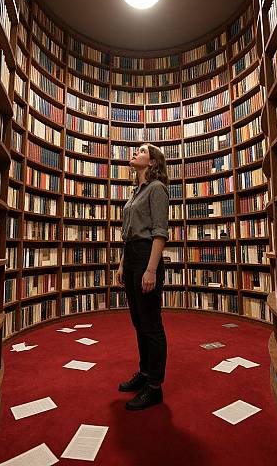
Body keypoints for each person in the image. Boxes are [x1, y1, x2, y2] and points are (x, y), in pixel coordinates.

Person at [116, 143, 169, 410]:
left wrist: (150, 269)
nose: (134, 152)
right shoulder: (135, 191)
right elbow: (129, 233)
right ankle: (145, 373)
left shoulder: (157, 189)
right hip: (132, 255)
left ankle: (154, 387)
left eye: (141, 150)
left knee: (151, 323)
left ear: (152, 162)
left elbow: (159, 232)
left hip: (148, 256)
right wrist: (122, 264)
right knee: (138, 321)